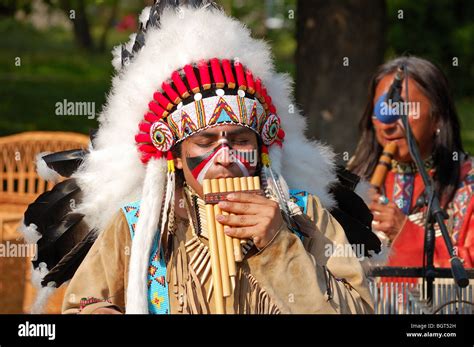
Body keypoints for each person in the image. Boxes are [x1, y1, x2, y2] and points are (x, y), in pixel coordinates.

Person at [22, 0, 375, 315]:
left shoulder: (306, 216)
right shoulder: (136, 227)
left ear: (262, 150)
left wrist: (279, 244)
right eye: (205, 141)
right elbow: (83, 303)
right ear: (175, 155)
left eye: (239, 140)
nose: (224, 157)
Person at [348, 56, 473, 269]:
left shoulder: (468, 184)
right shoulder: (353, 180)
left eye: (401, 110)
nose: (387, 125)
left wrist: (405, 234)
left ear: (437, 117)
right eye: (382, 111)